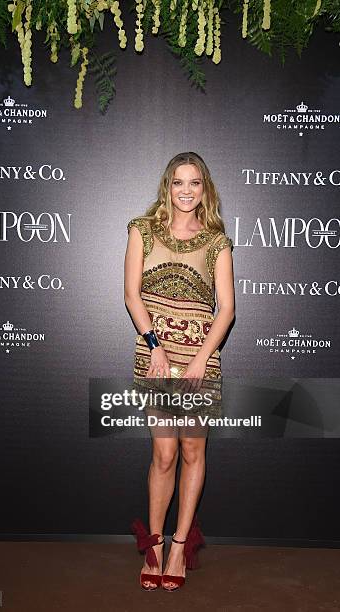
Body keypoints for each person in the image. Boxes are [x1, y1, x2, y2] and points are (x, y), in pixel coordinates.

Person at [124, 152, 235, 591]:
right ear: (166, 187)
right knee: (164, 454)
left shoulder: (217, 240)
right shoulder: (142, 230)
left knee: (192, 452)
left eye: (194, 183)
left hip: (200, 357)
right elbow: (132, 295)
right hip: (155, 354)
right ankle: (152, 544)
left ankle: (179, 547)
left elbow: (225, 310)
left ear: (204, 188)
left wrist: (197, 360)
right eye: (177, 182)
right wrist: (155, 348)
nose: (185, 191)